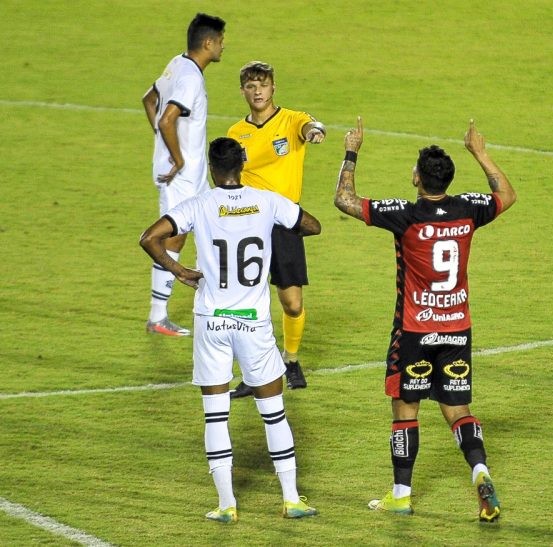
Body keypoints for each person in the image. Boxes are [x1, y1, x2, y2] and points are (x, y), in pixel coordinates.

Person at [334, 117, 516, 522]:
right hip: (456, 328)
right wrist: (481, 152)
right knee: (458, 408)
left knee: (406, 410)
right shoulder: (469, 209)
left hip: (415, 330)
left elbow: (345, 201)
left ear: (418, 179)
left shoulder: (406, 215)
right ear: (447, 181)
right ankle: (480, 471)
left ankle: (401, 494)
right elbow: (506, 194)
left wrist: (351, 152)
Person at [140, 137, 322, 522]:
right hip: (253, 323)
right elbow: (312, 225)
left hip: (212, 319)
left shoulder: (198, 204)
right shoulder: (267, 200)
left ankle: (226, 505)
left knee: (215, 415)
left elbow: (149, 238)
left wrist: (179, 270)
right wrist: (274, 222)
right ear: (242, 162)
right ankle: (291, 499)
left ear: (210, 167)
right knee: (273, 412)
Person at [226, 61, 326, 394]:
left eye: (263, 86)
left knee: (292, 302)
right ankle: (253, 372)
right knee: (247, 302)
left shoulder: (291, 119)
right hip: (248, 222)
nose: (257, 92)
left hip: (284, 221)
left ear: (273, 89)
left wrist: (314, 133)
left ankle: (291, 360)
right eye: (251, 87)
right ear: (242, 91)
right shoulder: (235, 133)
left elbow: (311, 125)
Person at [141, 13, 226, 336]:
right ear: (208, 43)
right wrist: (176, 158)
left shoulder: (177, 63)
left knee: (210, 222)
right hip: (183, 175)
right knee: (173, 235)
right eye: (220, 41)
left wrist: (165, 149)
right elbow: (166, 119)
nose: (222, 47)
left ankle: (214, 295)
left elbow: (149, 100)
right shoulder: (190, 78)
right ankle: (158, 316)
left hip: (192, 174)